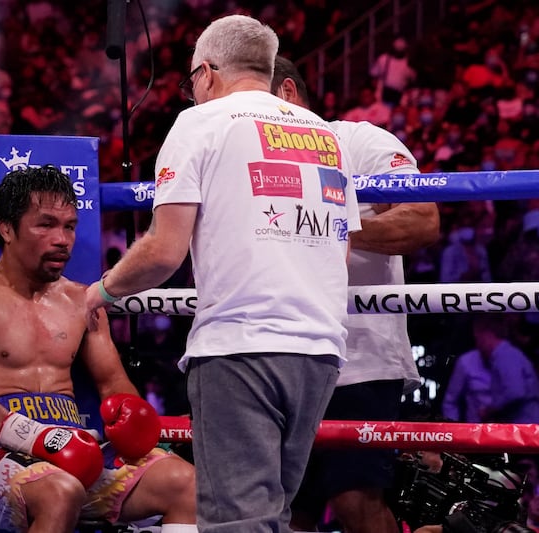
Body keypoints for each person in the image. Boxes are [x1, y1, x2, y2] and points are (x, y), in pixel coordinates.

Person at [85, 14, 361, 532]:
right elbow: (338, 255)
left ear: (206, 72)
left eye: (191, 81)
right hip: (319, 352)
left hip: (242, 349)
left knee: (237, 523)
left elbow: (164, 251)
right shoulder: (325, 134)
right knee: (272, 517)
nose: (191, 93)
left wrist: (98, 292)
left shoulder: (201, 123)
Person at [0, 165, 196, 533]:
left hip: (82, 452)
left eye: (69, 226)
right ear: (6, 229)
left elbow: (113, 384)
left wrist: (133, 417)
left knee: (187, 484)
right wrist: (40, 438)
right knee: (62, 493)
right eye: (45, 225)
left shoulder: (81, 301)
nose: (62, 240)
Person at [271, 56, 441, 533]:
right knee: (288, 511)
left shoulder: (359, 141)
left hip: (360, 356)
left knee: (355, 504)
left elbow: (423, 217)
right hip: (288, 352)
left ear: (286, 93)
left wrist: (335, 225)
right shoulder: (252, 166)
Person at [442, 314, 539, 424]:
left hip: (525, 426)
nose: (477, 343)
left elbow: (515, 392)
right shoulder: (502, 355)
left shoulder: (505, 355)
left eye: (478, 338)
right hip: (516, 427)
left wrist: (490, 411)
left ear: (485, 335)